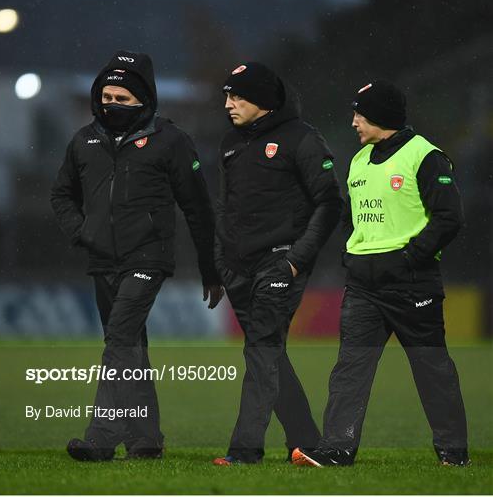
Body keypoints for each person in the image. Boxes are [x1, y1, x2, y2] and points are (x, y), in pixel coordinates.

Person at [51, 50, 222, 461]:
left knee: (120, 338)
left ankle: (102, 437)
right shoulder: (83, 141)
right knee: (131, 347)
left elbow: (198, 208)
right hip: (101, 260)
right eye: (107, 97)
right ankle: (146, 440)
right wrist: (83, 232)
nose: (112, 105)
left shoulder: (172, 141)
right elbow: (61, 195)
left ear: (144, 99)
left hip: (148, 258)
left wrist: (210, 268)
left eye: (122, 99)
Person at [292, 80, 469, 467]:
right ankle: (337, 449)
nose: (353, 121)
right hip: (362, 284)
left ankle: (452, 451)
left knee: (431, 368)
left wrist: (409, 257)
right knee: (350, 368)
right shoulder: (358, 159)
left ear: (382, 117)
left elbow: (449, 218)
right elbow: (352, 217)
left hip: (411, 283)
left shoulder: (426, 156)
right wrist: (354, 252)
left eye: (360, 114)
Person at [213, 62, 343, 465]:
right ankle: (306, 441)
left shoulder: (302, 139)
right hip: (237, 268)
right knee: (267, 353)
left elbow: (329, 203)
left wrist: (295, 260)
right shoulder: (231, 144)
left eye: (238, 96)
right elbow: (227, 208)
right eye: (227, 96)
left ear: (265, 102)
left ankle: (244, 451)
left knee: (262, 351)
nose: (229, 104)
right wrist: (219, 261)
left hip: (279, 264)